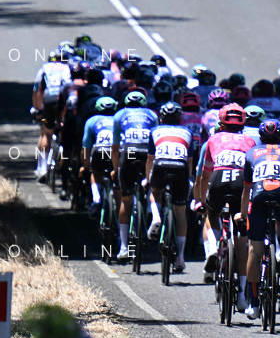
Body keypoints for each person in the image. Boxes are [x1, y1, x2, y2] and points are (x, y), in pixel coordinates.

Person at [194, 104, 258, 308]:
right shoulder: (250, 140)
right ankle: (242, 296)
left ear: (221, 122)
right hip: (241, 182)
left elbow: (204, 175)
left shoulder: (213, 139)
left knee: (212, 215)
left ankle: (213, 248)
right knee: (241, 236)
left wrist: (201, 201)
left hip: (218, 179)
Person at [240, 120, 280, 319]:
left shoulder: (251, 153)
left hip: (258, 194)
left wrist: (242, 214)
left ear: (260, 136)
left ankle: (254, 304)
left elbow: (246, 188)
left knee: (254, 250)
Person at [144, 102, 193, 273]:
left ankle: (156, 216)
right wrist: (189, 179)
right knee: (180, 212)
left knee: (154, 191)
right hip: (181, 168)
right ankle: (180, 256)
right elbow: (190, 162)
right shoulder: (187, 132)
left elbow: (150, 159)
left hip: (160, 165)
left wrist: (148, 179)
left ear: (161, 118)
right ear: (179, 118)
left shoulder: (154, 131)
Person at [110, 90, 158, 263]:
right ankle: (150, 209)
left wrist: (116, 169)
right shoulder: (152, 115)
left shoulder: (119, 115)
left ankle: (124, 247)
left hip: (128, 151)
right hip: (147, 152)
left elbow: (115, 148)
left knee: (126, 198)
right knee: (152, 185)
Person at [33, 51, 73, 181]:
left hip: (48, 97)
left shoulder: (44, 68)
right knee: (64, 127)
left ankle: (43, 168)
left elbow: (37, 90)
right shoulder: (66, 68)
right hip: (62, 97)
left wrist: (38, 109)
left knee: (46, 133)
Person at [80, 96, 119, 218]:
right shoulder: (119, 119)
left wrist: (85, 166)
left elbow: (86, 147)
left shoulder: (92, 121)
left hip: (100, 151)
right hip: (117, 152)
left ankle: (96, 200)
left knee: (95, 173)